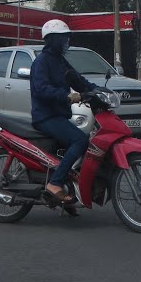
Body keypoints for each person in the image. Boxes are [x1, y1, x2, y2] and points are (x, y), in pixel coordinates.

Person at [30, 19, 95, 205]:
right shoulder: (41, 62)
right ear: (51, 40)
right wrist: (67, 96)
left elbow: (78, 80)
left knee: (83, 141)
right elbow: (41, 89)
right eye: (61, 39)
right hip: (45, 116)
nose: (65, 42)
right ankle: (55, 183)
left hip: (59, 115)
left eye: (67, 38)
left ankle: (67, 189)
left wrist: (96, 91)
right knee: (80, 140)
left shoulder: (60, 61)